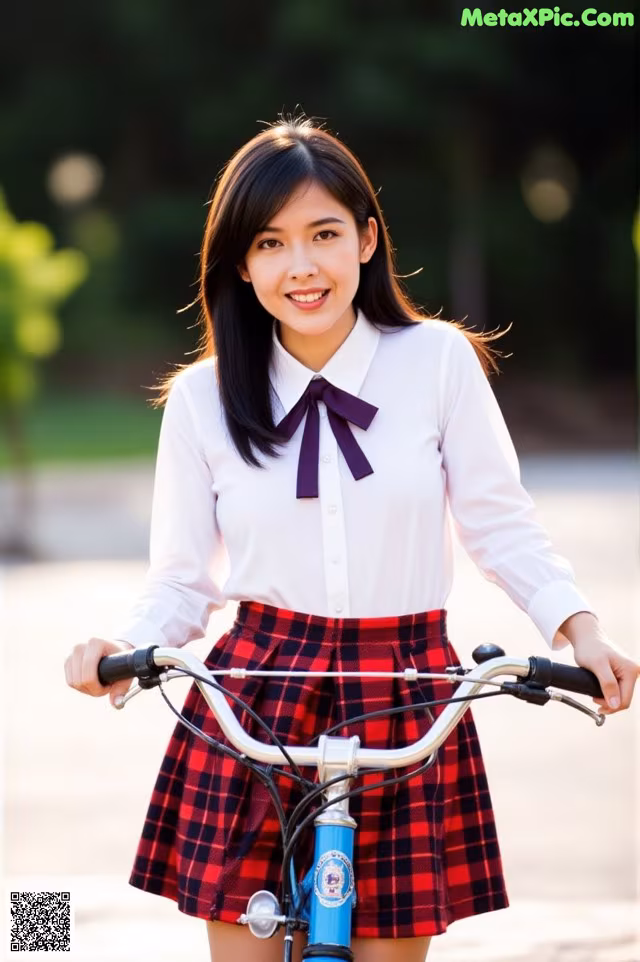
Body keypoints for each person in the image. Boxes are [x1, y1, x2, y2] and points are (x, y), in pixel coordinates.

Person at [64, 114, 639, 962]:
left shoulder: (438, 363)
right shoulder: (199, 400)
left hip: (404, 692)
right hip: (255, 692)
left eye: (324, 234)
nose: (301, 266)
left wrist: (579, 631)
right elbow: (183, 581)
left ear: (367, 239)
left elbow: (500, 524)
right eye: (270, 242)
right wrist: (128, 645)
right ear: (241, 263)